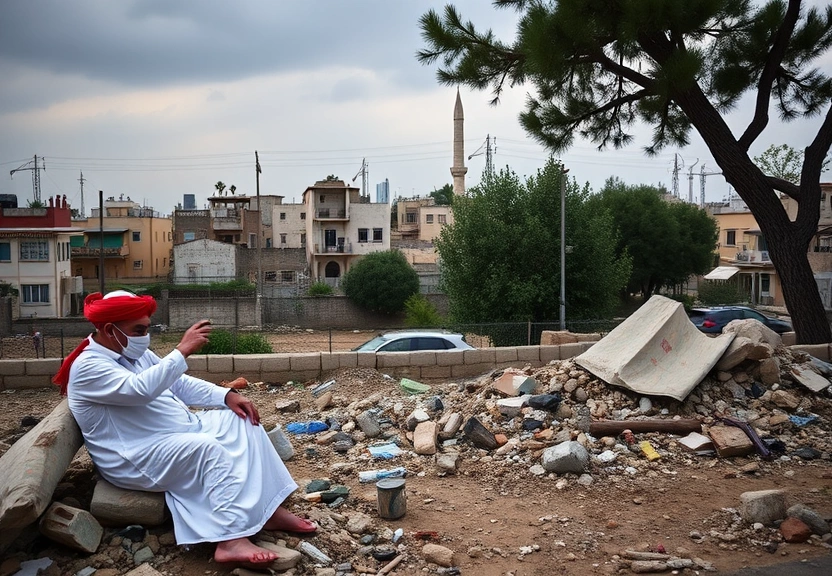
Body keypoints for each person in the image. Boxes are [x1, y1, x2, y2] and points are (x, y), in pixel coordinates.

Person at [53, 290, 315, 568]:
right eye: (138, 329)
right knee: (206, 450)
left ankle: (269, 510)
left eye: (146, 328)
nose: (145, 336)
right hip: (135, 455)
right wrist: (182, 349)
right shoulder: (89, 366)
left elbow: (177, 382)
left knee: (242, 420)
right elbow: (139, 390)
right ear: (109, 329)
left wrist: (226, 396)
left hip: (174, 433)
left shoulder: (130, 352)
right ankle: (230, 540)